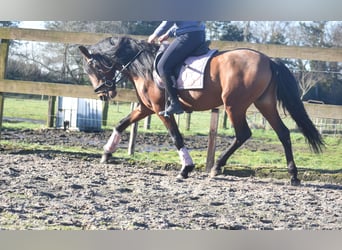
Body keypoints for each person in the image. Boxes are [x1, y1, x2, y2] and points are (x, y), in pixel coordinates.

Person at [148, 21, 206, 116]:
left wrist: (154, 35)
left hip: (187, 36)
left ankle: (175, 103)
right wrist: (168, 34)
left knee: (162, 66)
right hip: (200, 35)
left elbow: (169, 21)